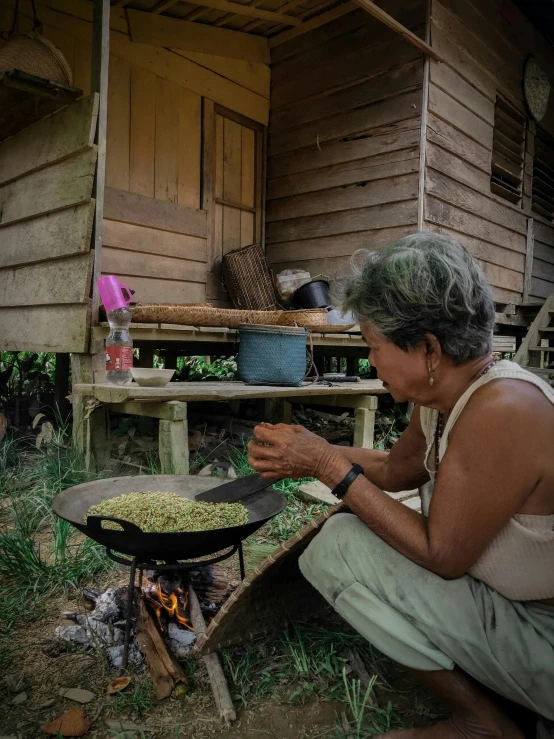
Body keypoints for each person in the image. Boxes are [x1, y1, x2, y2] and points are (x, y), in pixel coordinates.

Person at [247, 233, 554, 739]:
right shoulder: (444, 399)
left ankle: (484, 723)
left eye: (374, 346)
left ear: (428, 350)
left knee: (336, 547)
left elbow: (441, 555)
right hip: (508, 606)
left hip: (543, 638)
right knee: (347, 533)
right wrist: (303, 449)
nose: (370, 362)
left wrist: (327, 465)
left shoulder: (502, 412)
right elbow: (394, 470)